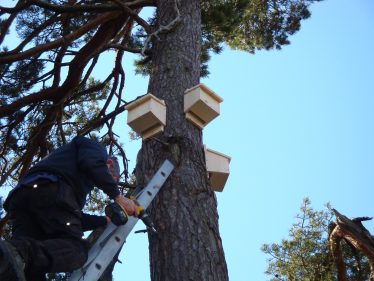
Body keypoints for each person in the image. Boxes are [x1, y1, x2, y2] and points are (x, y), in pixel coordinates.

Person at [0, 136, 137, 281]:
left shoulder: (70, 171)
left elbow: (68, 218)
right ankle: (18, 253)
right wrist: (118, 196)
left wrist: (104, 220)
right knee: (77, 250)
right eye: (111, 178)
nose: (101, 182)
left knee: (21, 267)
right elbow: (92, 164)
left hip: (24, 198)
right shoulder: (96, 150)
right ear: (108, 164)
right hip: (50, 188)